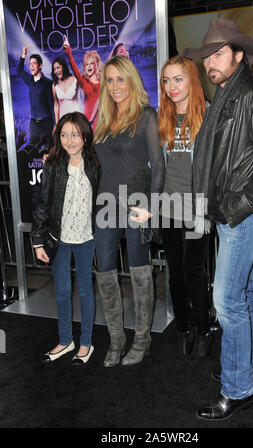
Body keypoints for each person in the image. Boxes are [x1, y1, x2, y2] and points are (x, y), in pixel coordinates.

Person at [183, 18, 253, 420]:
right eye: (207, 55)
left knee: (226, 300)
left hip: (243, 212)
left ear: (239, 55)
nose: (211, 62)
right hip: (234, 210)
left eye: (219, 53)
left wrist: (232, 208)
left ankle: (238, 387)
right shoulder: (227, 95)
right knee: (247, 291)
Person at [93, 55, 165, 368]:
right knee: (105, 273)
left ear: (131, 80)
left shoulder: (147, 115)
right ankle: (116, 340)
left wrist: (152, 206)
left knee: (140, 272)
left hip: (136, 206)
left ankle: (143, 340)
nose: (115, 86)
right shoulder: (103, 119)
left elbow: (159, 166)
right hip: (104, 208)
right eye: (109, 80)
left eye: (120, 79)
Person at [31, 112, 99, 365]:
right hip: (58, 239)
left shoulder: (95, 164)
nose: (70, 140)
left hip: (87, 238)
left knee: (85, 291)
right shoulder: (52, 165)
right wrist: (38, 241)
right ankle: (65, 339)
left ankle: (85, 343)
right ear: (58, 137)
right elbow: (43, 204)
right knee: (61, 291)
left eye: (75, 134)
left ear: (85, 136)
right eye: (64, 135)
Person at [158, 55, 212, 358]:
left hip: (197, 207)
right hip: (168, 206)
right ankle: (182, 327)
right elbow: (157, 166)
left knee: (194, 271)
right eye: (166, 80)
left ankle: (204, 328)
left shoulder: (208, 116)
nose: (171, 86)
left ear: (191, 79)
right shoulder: (163, 118)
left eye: (178, 79)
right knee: (175, 272)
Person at [17, 46, 54, 146]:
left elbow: (52, 105)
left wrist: (55, 125)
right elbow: (19, 70)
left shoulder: (48, 83)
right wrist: (23, 55)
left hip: (46, 124)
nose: (31, 66)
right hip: (34, 124)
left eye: (34, 63)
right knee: (32, 151)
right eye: (30, 64)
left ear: (40, 66)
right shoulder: (29, 80)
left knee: (49, 151)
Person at [63, 36, 102, 129]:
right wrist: (68, 51)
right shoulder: (83, 80)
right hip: (88, 120)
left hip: (102, 121)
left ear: (96, 65)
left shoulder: (103, 80)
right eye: (87, 64)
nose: (89, 66)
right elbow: (74, 67)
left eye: (92, 63)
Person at [51, 57, 82, 124]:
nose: (56, 71)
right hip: (63, 119)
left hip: (76, 117)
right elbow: (56, 105)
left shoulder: (75, 80)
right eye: (54, 69)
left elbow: (82, 99)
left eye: (58, 67)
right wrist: (57, 123)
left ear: (63, 67)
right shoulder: (54, 86)